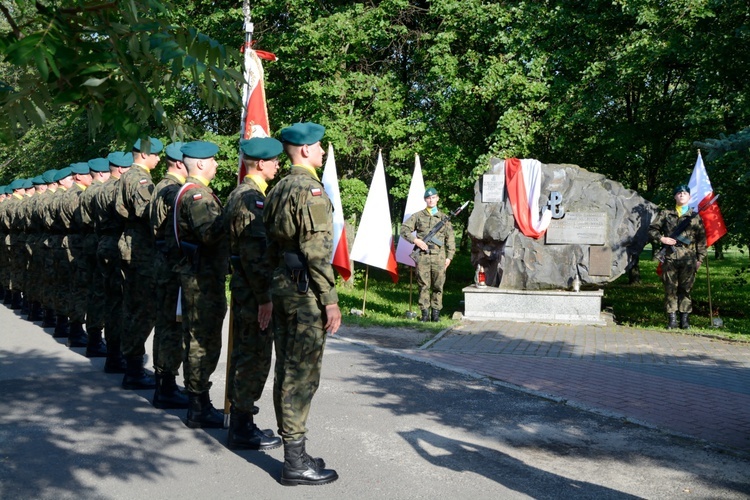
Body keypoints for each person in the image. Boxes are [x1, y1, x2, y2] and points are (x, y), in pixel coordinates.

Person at [263, 122, 340, 486]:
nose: (323, 152)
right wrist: (330, 300)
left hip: (283, 285)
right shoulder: (310, 190)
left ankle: (296, 451)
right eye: (320, 147)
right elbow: (317, 252)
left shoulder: (278, 188)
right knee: (301, 375)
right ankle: (294, 462)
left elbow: (269, 247)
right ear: (306, 150)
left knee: (287, 369)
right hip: (303, 291)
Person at [223, 137, 283, 450]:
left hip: (246, 289)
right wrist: (265, 299)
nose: (278, 165)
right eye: (274, 160)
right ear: (260, 163)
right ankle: (242, 426)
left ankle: (242, 420)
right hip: (252, 292)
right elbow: (255, 256)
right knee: (254, 357)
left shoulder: (242, 194)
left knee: (246, 354)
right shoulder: (251, 199)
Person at [173, 140, 229, 428]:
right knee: (200, 341)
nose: (217, 165)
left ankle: (200, 400)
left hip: (203, 275)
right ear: (202, 164)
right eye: (214, 161)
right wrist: (231, 213)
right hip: (201, 278)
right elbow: (209, 235)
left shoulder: (197, 192)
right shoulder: (197, 196)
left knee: (203, 339)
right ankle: (197, 404)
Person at [116, 137, 163, 389]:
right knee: (143, 309)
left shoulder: (127, 176)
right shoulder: (140, 179)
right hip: (141, 249)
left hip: (133, 245)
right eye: (156, 154)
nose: (158, 159)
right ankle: (133, 369)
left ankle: (131, 363)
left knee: (134, 306)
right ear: (145, 155)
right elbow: (146, 211)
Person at [149, 142, 190, 409]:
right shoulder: (173, 190)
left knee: (165, 325)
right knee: (171, 327)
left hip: (160, 264)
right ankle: (165, 386)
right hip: (170, 265)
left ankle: (164, 384)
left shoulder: (159, 186)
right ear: (179, 163)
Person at [649, 184, 707, 329]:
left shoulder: (695, 216)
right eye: (679, 193)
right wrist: (662, 239)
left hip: (688, 258)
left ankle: (685, 320)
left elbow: (701, 239)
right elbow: (652, 230)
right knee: (670, 288)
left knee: (686, 289)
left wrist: (700, 258)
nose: (682, 195)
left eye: (685, 193)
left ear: (689, 197)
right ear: (675, 196)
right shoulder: (666, 214)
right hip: (670, 256)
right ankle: (672, 320)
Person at [400, 187, 456, 322]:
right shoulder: (418, 216)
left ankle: (435, 314)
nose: (431, 200)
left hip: (439, 257)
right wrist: (416, 241)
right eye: (428, 198)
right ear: (425, 200)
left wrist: (449, 257)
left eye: (433, 197)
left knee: (438, 285)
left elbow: (451, 240)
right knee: (423, 285)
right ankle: (424, 313)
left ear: (437, 199)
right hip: (423, 256)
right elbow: (404, 229)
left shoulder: (444, 218)